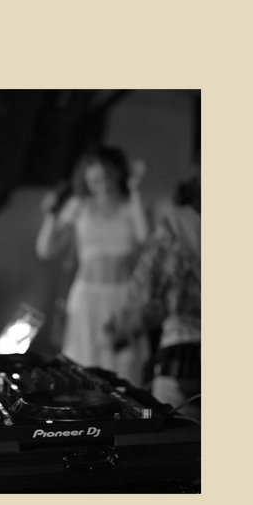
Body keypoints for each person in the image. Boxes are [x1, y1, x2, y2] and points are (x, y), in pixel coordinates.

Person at [35, 146, 149, 383]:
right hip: (86, 299)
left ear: (117, 173)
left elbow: (145, 237)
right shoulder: (79, 206)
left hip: (122, 299)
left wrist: (135, 190)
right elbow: (45, 250)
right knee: (85, 368)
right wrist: (50, 215)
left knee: (125, 370)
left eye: (107, 177)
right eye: (95, 180)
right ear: (86, 180)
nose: (102, 185)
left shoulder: (130, 205)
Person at [111, 161, 201, 418]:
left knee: (178, 437)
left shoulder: (175, 225)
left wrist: (123, 329)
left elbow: (146, 292)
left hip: (184, 357)